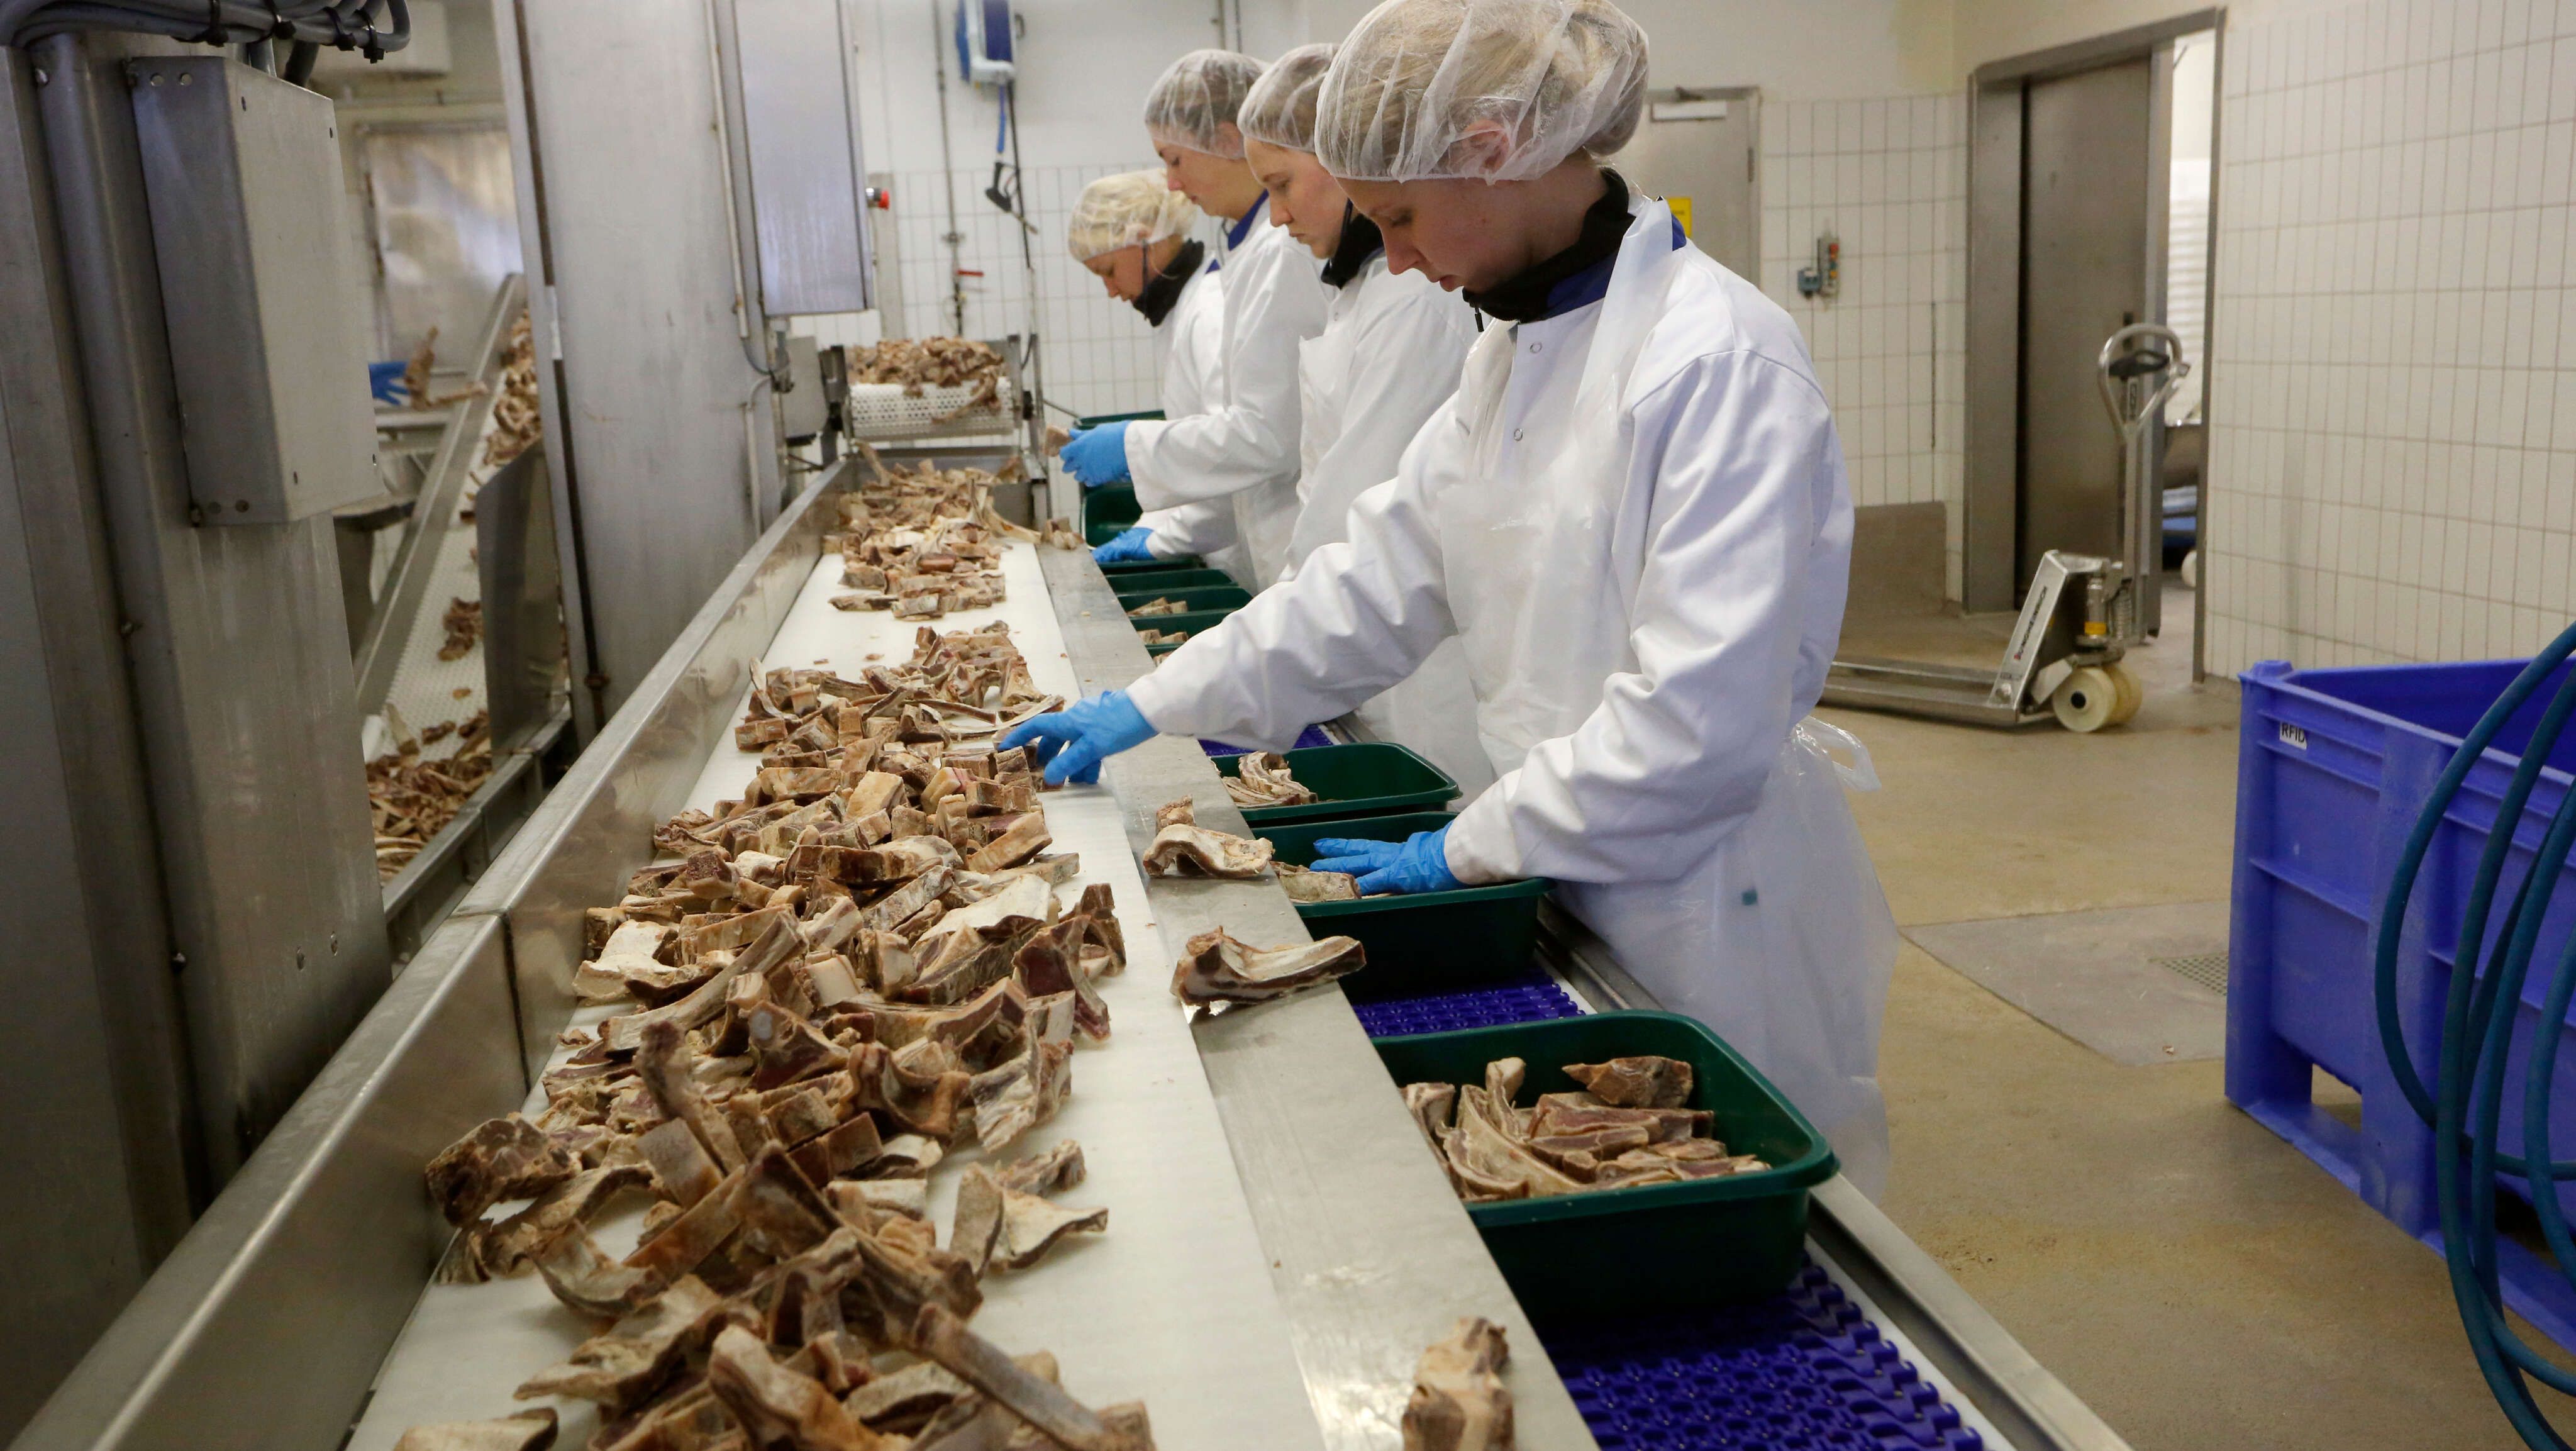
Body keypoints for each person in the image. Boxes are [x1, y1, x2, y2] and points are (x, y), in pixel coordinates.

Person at [1008, 0, 1899, 1194]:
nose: (1400, 259)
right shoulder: (1510, 353)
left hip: (1700, 897)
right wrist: (1152, 705)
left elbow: (1697, 724)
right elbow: (1364, 583)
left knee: (1728, 1192)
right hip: (1553, 856)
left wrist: (1462, 845)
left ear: (1491, 151)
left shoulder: (1714, 362)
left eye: (1403, 217)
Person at [1235, 42, 1492, 794]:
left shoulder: (1414, 300)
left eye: (1282, 186)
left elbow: (1354, 506)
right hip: (1370, 646)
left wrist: (1255, 661)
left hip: (1426, 676)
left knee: (1446, 812)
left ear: (1344, 159)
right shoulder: (1364, 291)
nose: (1277, 216)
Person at [1057, 50, 1331, 588]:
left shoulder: (1279, 252)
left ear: (1228, 140)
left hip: (1295, 542)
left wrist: (1133, 448)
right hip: (1277, 545)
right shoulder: (1251, 253)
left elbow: (1265, 434)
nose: (1173, 184)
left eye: (1176, 160)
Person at [1064, 170, 1246, 579]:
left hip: (1245, 551)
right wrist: (1152, 525)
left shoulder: (1210, 311)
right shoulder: (1180, 313)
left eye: (1109, 270)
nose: (1111, 290)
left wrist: (1159, 538)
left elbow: (1233, 452)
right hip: (1220, 547)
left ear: (1143, 240)